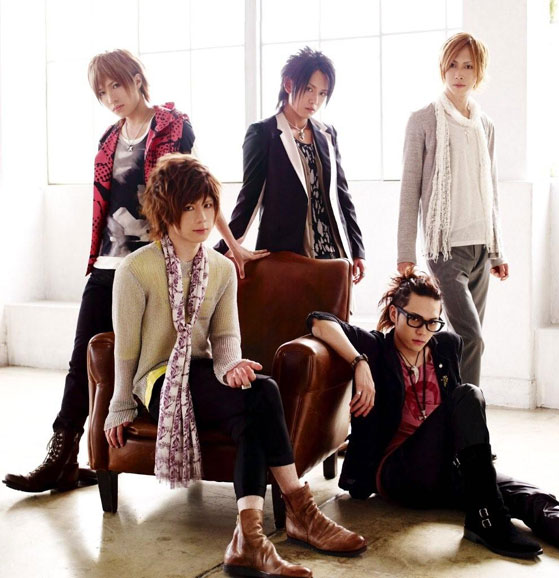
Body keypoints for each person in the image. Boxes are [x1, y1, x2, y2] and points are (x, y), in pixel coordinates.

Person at [3, 49, 262, 495]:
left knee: (142, 355)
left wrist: (232, 243)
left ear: (137, 79)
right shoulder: (109, 139)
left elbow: (197, 185)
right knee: (81, 360)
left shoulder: (173, 126)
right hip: (108, 263)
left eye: (116, 85)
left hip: (152, 264)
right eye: (102, 92)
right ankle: (62, 456)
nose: (110, 97)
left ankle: (132, 427)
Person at [104, 154, 366, 577]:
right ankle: (299, 513)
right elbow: (127, 349)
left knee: (253, 405)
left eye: (208, 205)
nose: (202, 217)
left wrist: (230, 368)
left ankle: (249, 539)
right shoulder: (136, 269)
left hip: (202, 371)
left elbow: (226, 339)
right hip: (157, 381)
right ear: (166, 211)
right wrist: (119, 405)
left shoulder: (222, 268)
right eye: (189, 207)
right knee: (263, 393)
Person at [307, 267, 559, 563]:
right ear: (395, 314)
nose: (423, 331)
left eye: (432, 322)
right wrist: (359, 362)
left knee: (529, 497)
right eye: (414, 319)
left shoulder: (446, 347)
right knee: (468, 394)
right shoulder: (376, 348)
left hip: (447, 467)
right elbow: (319, 320)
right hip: (398, 474)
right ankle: (486, 519)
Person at [396, 32, 508, 386]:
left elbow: (491, 190)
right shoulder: (423, 120)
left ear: (479, 72)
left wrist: (497, 251)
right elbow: (409, 190)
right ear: (443, 69)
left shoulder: (485, 125)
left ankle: (454, 407)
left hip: (480, 247)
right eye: (453, 65)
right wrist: (405, 252)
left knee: (462, 343)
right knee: (471, 337)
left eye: (468, 66)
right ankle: (468, 413)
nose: (459, 73)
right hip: (445, 251)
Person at [216, 46, 366, 284]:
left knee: (334, 309)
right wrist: (224, 249)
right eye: (308, 89)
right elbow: (249, 199)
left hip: (331, 256)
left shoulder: (327, 134)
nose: (314, 100)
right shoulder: (263, 134)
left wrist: (357, 250)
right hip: (286, 256)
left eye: (322, 93)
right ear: (288, 85)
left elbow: (341, 195)